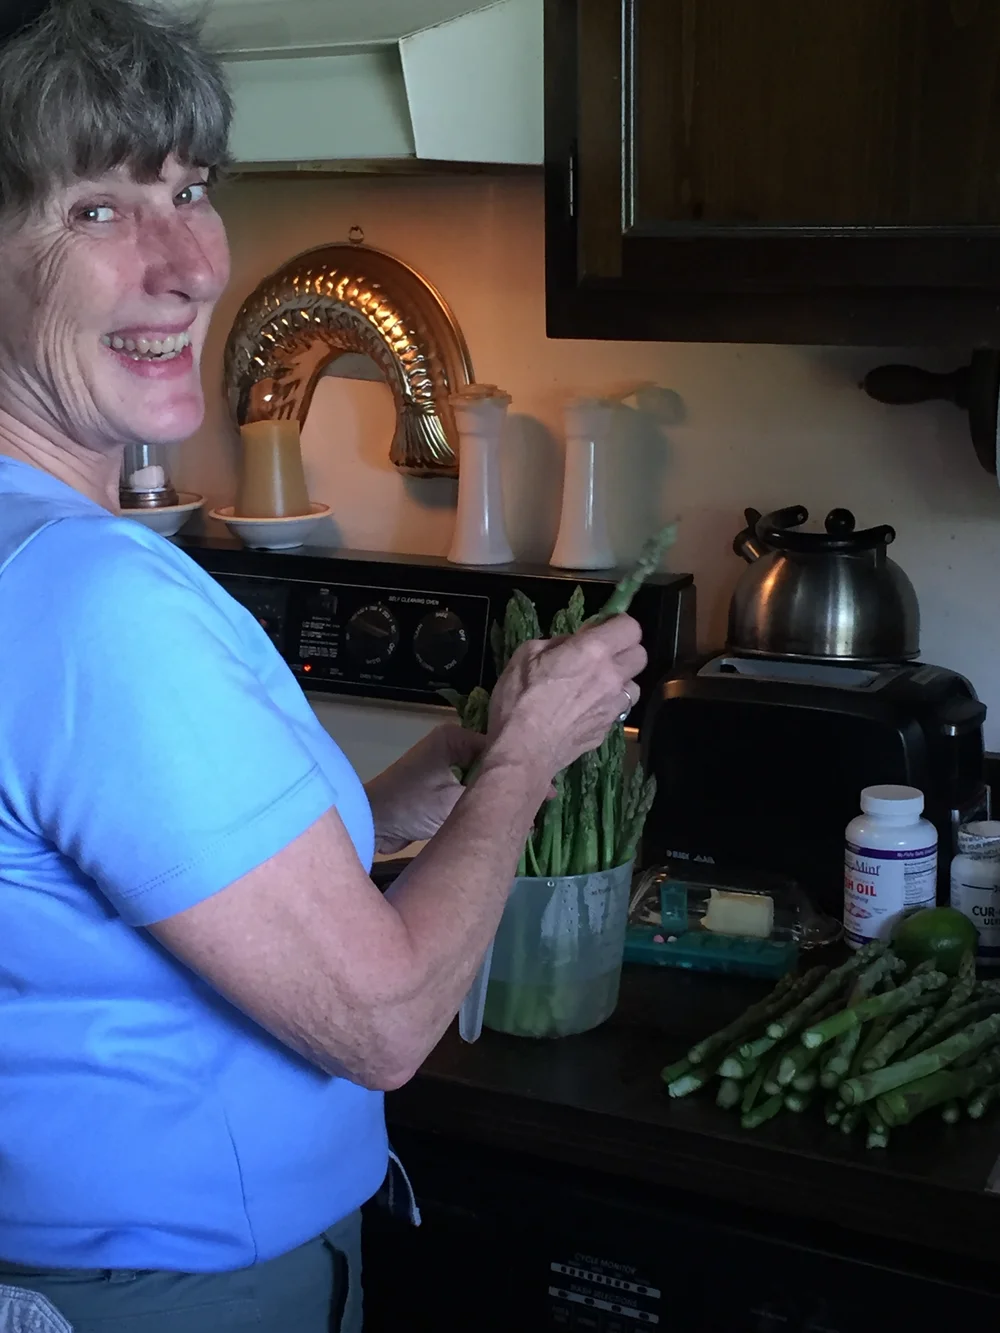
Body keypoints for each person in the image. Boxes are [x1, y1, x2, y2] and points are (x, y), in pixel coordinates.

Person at [0, 1, 647, 1329]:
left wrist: (416, 790)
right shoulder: (89, 599)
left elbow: (105, 888)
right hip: (168, 1294)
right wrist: (528, 761)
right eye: (96, 210)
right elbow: (384, 1022)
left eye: (190, 190)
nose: (189, 268)